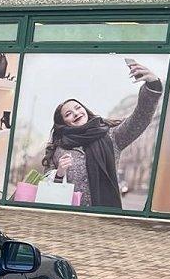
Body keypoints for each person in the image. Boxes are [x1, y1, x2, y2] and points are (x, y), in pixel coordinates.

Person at [44, 59, 163, 208]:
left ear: (84, 110)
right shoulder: (58, 149)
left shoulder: (111, 136)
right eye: (68, 114)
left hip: (105, 216)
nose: (75, 113)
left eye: (78, 108)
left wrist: (152, 86)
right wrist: (59, 174)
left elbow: (140, 118)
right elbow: (47, 189)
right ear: (63, 122)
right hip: (69, 217)